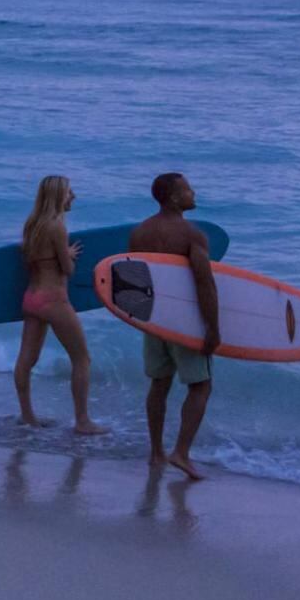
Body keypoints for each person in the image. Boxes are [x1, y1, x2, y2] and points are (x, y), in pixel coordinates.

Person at [130, 173, 219, 481]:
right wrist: (212, 327)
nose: (193, 193)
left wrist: (142, 319)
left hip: (154, 320)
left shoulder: (140, 233)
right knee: (201, 385)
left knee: (159, 383)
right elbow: (204, 283)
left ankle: (156, 452)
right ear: (173, 198)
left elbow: (133, 282)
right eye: (187, 190)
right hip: (184, 322)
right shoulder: (191, 235)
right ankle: (181, 452)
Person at [13, 175, 104, 435]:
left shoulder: (32, 225)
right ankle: (83, 422)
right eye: (69, 192)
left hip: (31, 298)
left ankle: (27, 416)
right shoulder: (57, 227)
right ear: (58, 196)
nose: (73, 196)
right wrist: (69, 255)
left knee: (26, 360)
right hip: (53, 300)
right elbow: (68, 270)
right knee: (82, 359)